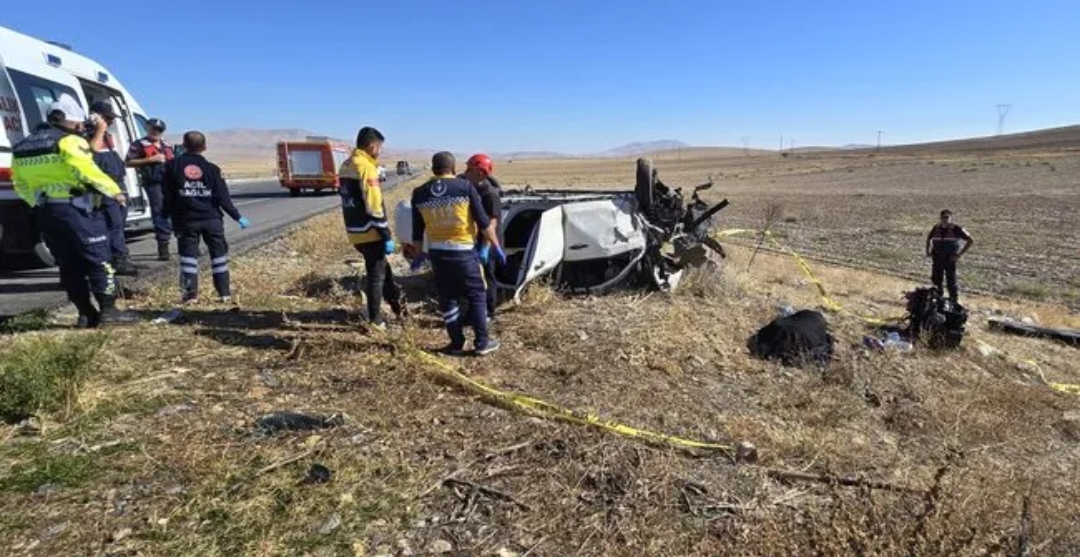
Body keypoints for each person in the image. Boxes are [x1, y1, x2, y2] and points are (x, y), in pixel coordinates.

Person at [11, 94, 138, 327]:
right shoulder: (68, 141)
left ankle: (85, 313)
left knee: (68, 263)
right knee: (98, 259)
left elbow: (19, 183)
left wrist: (37, 201)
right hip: (77, 210)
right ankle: (109, 312)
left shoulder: (23, 145)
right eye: (79, 122)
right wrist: (114, 191)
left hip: (46, 212)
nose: (82, 126)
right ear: (71, 120)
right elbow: (86, 170)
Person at [408, 152, 505, 355]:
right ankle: (482, 343)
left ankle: (456, 343)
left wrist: (418, 254)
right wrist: (495, 246)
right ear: (453, 168)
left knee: (448, 297)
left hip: (437, 253)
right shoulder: (465, 188)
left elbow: (417, 230)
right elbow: (484, 223)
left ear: (433, 168)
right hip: (463, 251)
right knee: (477, 294)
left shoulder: (419, 193)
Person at [161, 131, 250, 304]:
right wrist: (237, 217)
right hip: (212, 220)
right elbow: (223, 198)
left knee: (188, 259)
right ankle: (224, 293)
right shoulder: (212, 169)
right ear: (204, 147)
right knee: (219, 257)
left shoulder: (172, 167)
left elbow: (167, 196)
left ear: (183, 146)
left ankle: (190, 296)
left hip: (186, 220)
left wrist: (164, 215)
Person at [338, 126, 404, 329]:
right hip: (370, 231)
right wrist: (385, 234)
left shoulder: (346, 165)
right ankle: (376, 320)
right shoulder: (366, 167)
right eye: (380, 147)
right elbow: (374, 204)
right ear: (372, 145)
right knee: (376, 277)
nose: (380, 151)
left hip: (355, 231)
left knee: (384, 271)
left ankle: (399, 309)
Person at [86, 100, 138, 276]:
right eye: (107, 118)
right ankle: (118, 259)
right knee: (113, 222)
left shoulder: (107, 136)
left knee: (120, 222)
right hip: (104, 185)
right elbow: (92, 151)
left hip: (118, 182)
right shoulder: (89, 134)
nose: (110, 122)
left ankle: (122, 256)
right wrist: (99, 129)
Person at [126, 117, 174, 260]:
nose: (155, 132)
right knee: (159, 213)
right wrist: (150, 160)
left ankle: (187, 243)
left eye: (159, 130)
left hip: (170, 183)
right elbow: (128, 162)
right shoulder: (139, 144)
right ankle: (163, 246)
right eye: (153, 129)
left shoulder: (167, 145)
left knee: (177, 211)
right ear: (147, 129)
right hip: (154, 183)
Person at [462, 154, 502, 322]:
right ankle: (474, 312)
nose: (466, 172)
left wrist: (485, 247)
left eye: (469, 169)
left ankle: (489, 312)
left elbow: (492, 222)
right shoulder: (471, 188)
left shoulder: (490, 194)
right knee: (474, 279)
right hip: (474, 241)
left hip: (488, 243)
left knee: (487, 277)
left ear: (480, 172)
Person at [925, 209, 975, 302]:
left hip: (950, 259)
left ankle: (953, 302)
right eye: (943, 217)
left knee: (951, 282)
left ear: (950, 218)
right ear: (940, 218)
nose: (945, 219)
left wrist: (959, 255)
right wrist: (927, 251)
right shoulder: (936, 228)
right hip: (937, 259)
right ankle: (937, 300)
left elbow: (971, 240)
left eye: (947, 217)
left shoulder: (956, 228)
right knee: (936, 280)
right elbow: (928, 239)